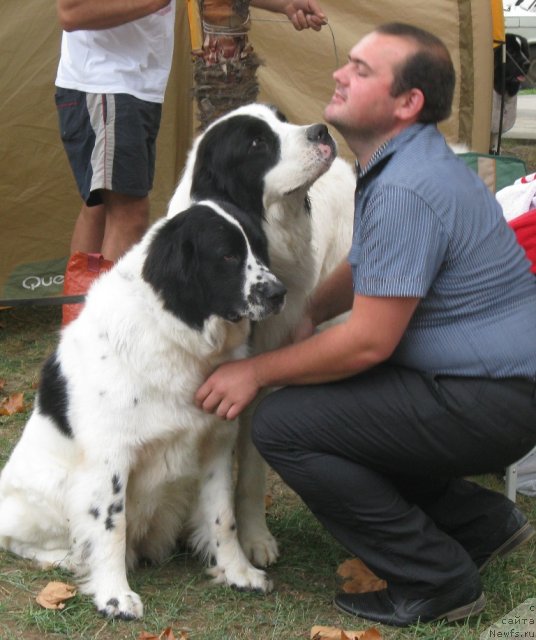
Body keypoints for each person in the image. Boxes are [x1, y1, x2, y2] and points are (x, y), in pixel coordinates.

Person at [195, 22, 536, 627]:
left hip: (488, 399)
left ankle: (437, 578)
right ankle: (484, 523)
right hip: (494, 387)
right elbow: (369, 262)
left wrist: (255, 371)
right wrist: (313, 313)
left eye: (361, 70)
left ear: (407, 103)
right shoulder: (407, 161)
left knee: (286, 424)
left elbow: (369, 343)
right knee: (340, 406)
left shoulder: (407, 185)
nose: (338, 74)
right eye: (347, 62)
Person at [54, 0, 327, 263]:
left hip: (131, 88)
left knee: (100, 206)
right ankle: (112, 310)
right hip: (104, 83)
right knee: (130, 213)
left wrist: (286, 4)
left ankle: (78, 309)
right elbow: (71, 11)